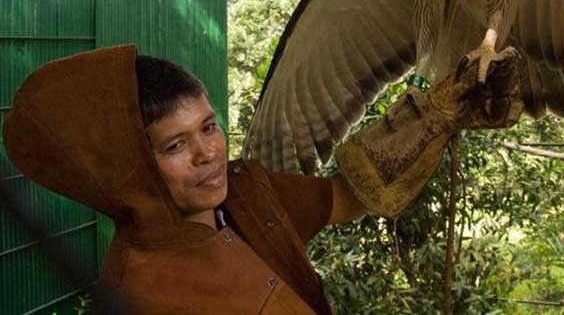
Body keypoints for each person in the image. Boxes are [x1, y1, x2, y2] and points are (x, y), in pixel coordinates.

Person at [3, 45, 522, 314]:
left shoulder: (249, 193)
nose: (207, 153)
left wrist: (433, 116)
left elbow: (346, 196)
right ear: (134, 171)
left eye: (209, 127)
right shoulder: (140, 292)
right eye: (175, 145)